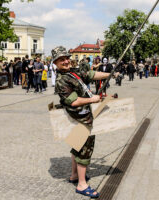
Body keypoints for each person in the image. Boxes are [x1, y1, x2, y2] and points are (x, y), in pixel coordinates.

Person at [53, 46, 118, 199]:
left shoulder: (72, 72)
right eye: (62, 59)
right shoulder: (61, 81)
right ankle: (82, 185)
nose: (66, 61)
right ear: (55, 62)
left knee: (76, 146)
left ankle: (74, 175)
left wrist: (110, 74)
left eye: (67, 58)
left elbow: (90, 74)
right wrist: (92, 99)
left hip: (82, 116)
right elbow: (73, 101)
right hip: (80, 118)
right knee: (84, 149)